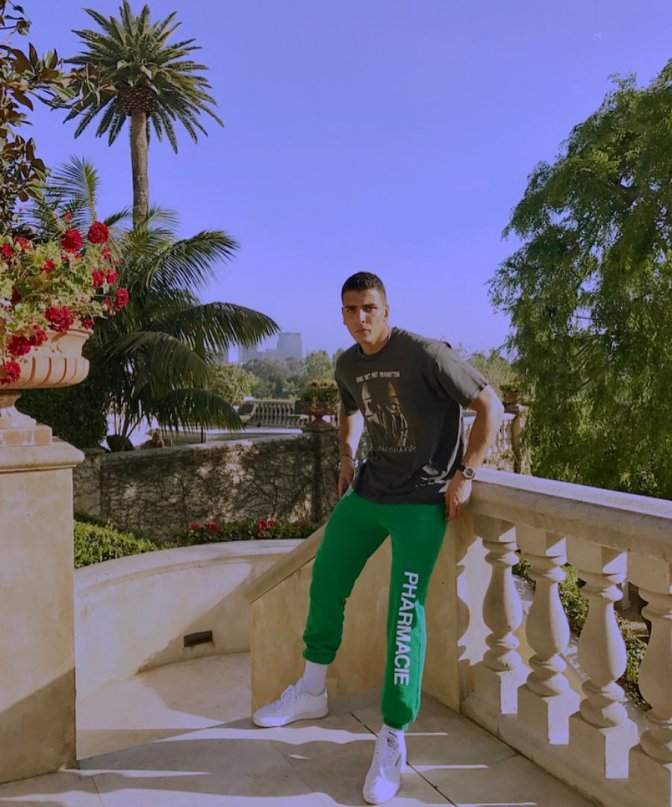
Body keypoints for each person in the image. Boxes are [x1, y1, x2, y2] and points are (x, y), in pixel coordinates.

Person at [252, 272, 504, 804]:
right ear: (342, 315)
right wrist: (347, 456)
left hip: (422, 501)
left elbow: (490, 406)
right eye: (351, 309)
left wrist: (466, 474)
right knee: (326, 579)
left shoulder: (427, 355)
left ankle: (393, 735)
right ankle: (312, 691)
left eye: (369, 307)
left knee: (404, 615)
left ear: (387, 310)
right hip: (369, 492)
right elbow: (349, 409)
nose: (360, 317)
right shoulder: (348, 364)